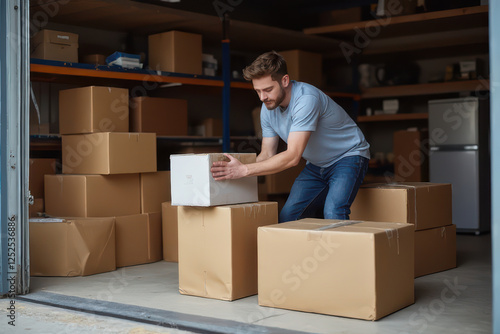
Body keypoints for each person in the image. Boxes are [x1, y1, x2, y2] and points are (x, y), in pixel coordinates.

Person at [211, 51, 370, 222]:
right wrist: (237, 170)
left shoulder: (306, 99)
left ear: (285, 80)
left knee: (333, 211)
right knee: (288, 216)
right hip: (317, 165)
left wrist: (244, 170)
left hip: (348, 157)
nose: (263, 97)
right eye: (257, 91)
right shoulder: (267, 109)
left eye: (268, 89)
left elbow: (293, 157)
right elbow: (267, 155)